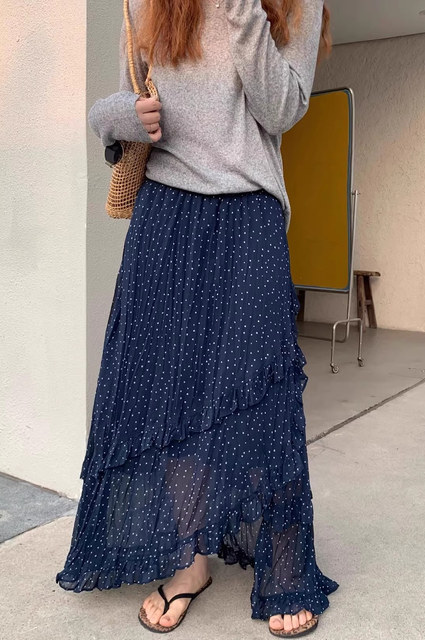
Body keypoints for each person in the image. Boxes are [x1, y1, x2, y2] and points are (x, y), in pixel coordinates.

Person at [55, 0, 339, 636]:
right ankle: (188, 563)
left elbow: (282, 109)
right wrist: (114, 116)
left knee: (265, 397)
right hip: (165, 214)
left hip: (249, 211)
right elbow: (124, 100)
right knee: (170, 394)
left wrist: (240, 9)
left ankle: (285, 567)